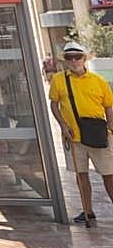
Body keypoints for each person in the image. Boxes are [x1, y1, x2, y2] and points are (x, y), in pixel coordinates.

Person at [49, 40, 113, 224]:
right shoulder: (59, 80)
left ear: (84, 58)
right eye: (69, 57)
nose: (74, 60)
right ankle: (87, 210)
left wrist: (110, 126)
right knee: (81, 175)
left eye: (77, 57)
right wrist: (63, 125)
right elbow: (54, 104)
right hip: (73, 137)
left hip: (98, 135)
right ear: (65, 60)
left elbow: (109, 106)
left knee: (109, 174)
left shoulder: (98, 81)